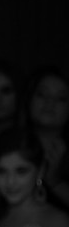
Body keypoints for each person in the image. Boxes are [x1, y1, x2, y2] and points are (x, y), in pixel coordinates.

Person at [23, 65, 69, 210]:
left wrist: (55, 182)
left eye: (60, 98)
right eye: (42, 94)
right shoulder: (9, 146)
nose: (50, 103)